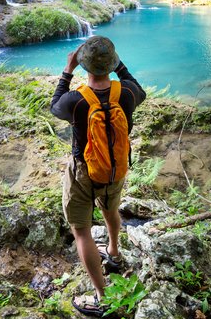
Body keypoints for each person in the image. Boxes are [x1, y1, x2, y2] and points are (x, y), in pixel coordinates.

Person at [51, 36, 146, 317]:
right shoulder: (127, 92)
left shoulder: (76, 100)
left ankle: (102, 297)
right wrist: (119, 66)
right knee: (111, 207)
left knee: (81, 230)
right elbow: (139, 88)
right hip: (115, 168)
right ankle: (114, 253)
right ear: (113, 63)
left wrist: (67, 70)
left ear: (84, 66)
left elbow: (55, 105)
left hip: (83, 171)